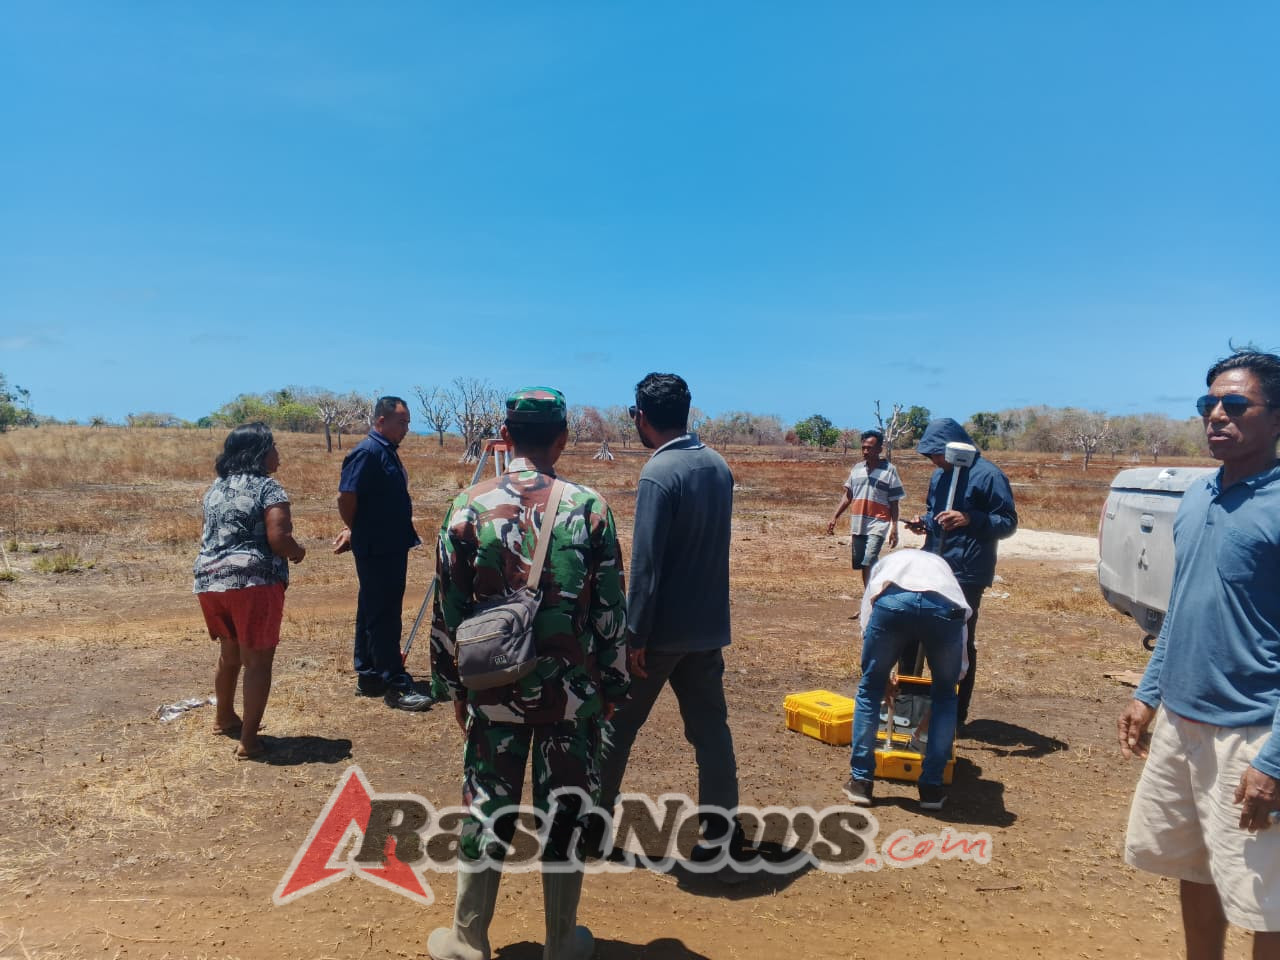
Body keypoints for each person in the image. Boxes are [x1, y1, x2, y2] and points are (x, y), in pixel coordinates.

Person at [427, 387, 628, 960]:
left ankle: (468, 939)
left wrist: (453, 688)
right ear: (562, 439)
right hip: (570, 691)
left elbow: (449, 609)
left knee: (488, 801)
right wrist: (610, 686)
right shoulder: (589, 508)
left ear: (506, 437)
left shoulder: (466, 506)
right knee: (566, 803)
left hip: (492, 688)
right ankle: (562, 940)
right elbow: (612, 606)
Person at [1118, 348, 1280, 958]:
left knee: (1267, 901)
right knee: (1196, 867)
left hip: (1252, 735)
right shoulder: (1196, 496)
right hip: (1181, 726)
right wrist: (1148, 691)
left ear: (1277, 418)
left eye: (1235, 404)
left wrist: (1276, 762)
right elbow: (1183, 607)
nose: (1217, 414)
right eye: (1207, 403)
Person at [598, 372, 751, 874]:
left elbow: (646, 567)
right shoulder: (717, 465)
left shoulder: (659, 474)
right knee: (710, 731)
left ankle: (590, 832)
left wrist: (634, 636)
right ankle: (721, 832)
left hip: (661, 635)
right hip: (707, 627)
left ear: (640, 417)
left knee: (615, 728)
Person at [193, 423, 306, 761]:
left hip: (210, 582)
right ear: (258, 452)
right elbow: (279, 539)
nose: (278, 455)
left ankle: (224, 717)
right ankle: (249, 741)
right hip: (253, 583)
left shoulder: (216, 488)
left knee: (230, 654)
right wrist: (298, 552)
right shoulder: (268, 489)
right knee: (257, 661)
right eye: (273, 447)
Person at [903, 419, 1016, 727]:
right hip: (933, 566)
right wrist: (923, 522)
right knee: (911, 631)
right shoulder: (939, 477)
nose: (934, 461)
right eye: (930, 457)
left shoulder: (989, 476)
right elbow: (933, 512)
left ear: (954, 447)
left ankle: (954, 716)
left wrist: (969, 518)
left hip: (967, 572)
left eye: (936, 454)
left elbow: (1007, 523)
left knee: (957, 643)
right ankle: (908, 707)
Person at [842, 548, 968, 811]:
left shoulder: (886, 564)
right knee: (945, 697)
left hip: (893, 603)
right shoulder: (945, 575)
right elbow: (962, 635)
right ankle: (931, 789)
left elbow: (869, 611)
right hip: (944, 609)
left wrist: (878, 674)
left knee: (869, 691)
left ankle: (861, 782)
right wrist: (952, 683)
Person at [333, 396, 431, 711]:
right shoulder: (367, 452)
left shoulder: (385, 451)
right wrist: (356, 528)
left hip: (390, 543)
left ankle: (369, 674)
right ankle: (395, 684)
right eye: (401, 422)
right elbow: (346, 497)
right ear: (381, 422)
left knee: (371, 609)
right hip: (377, 546)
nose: (406, 428)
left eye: (407, 422)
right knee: (385, 614)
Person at [826, 429, 905, 588]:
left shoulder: (889, 470)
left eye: (869, 448)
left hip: (879, 522)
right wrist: (834, 517)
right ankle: (869, 597)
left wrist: (894, 527)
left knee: (870, 558)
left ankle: (873, 598)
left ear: (879, 449)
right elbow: (848, 495)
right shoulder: (857, 469)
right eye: (863, 447)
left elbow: (894, 502)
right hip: (858, 523)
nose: (865, 451)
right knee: (863, 563)